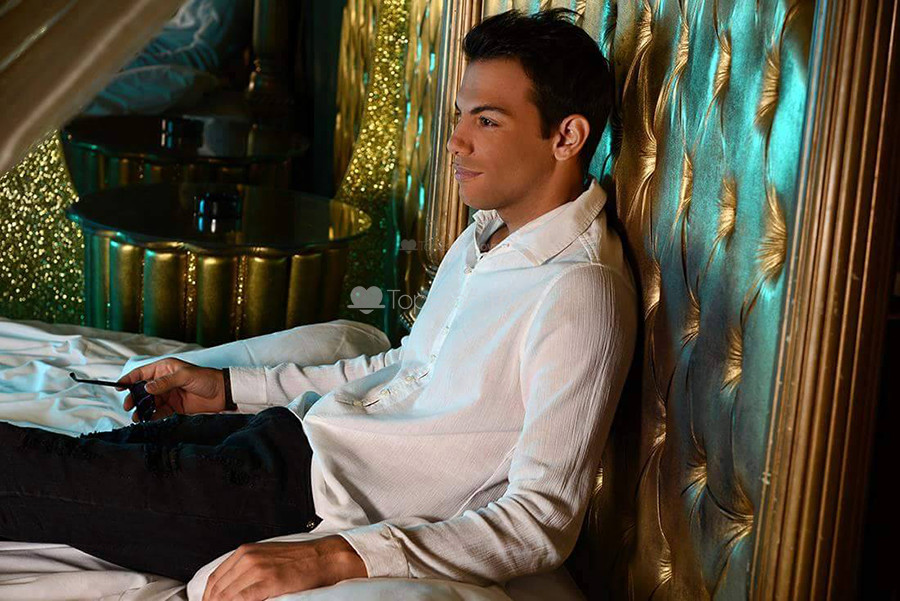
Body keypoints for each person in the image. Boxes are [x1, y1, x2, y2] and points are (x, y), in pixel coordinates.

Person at [0, 8, 637, 601]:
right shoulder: (488, 235)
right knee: (55, 459)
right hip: (288, 437)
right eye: (460, 114)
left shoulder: (580, 292)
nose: (456, 141)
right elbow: (400, 369)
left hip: (294, 504)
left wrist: (331, 557)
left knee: (27, 477)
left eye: (487, 121)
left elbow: (540, 520)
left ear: (566, 136)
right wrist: (231, 389)